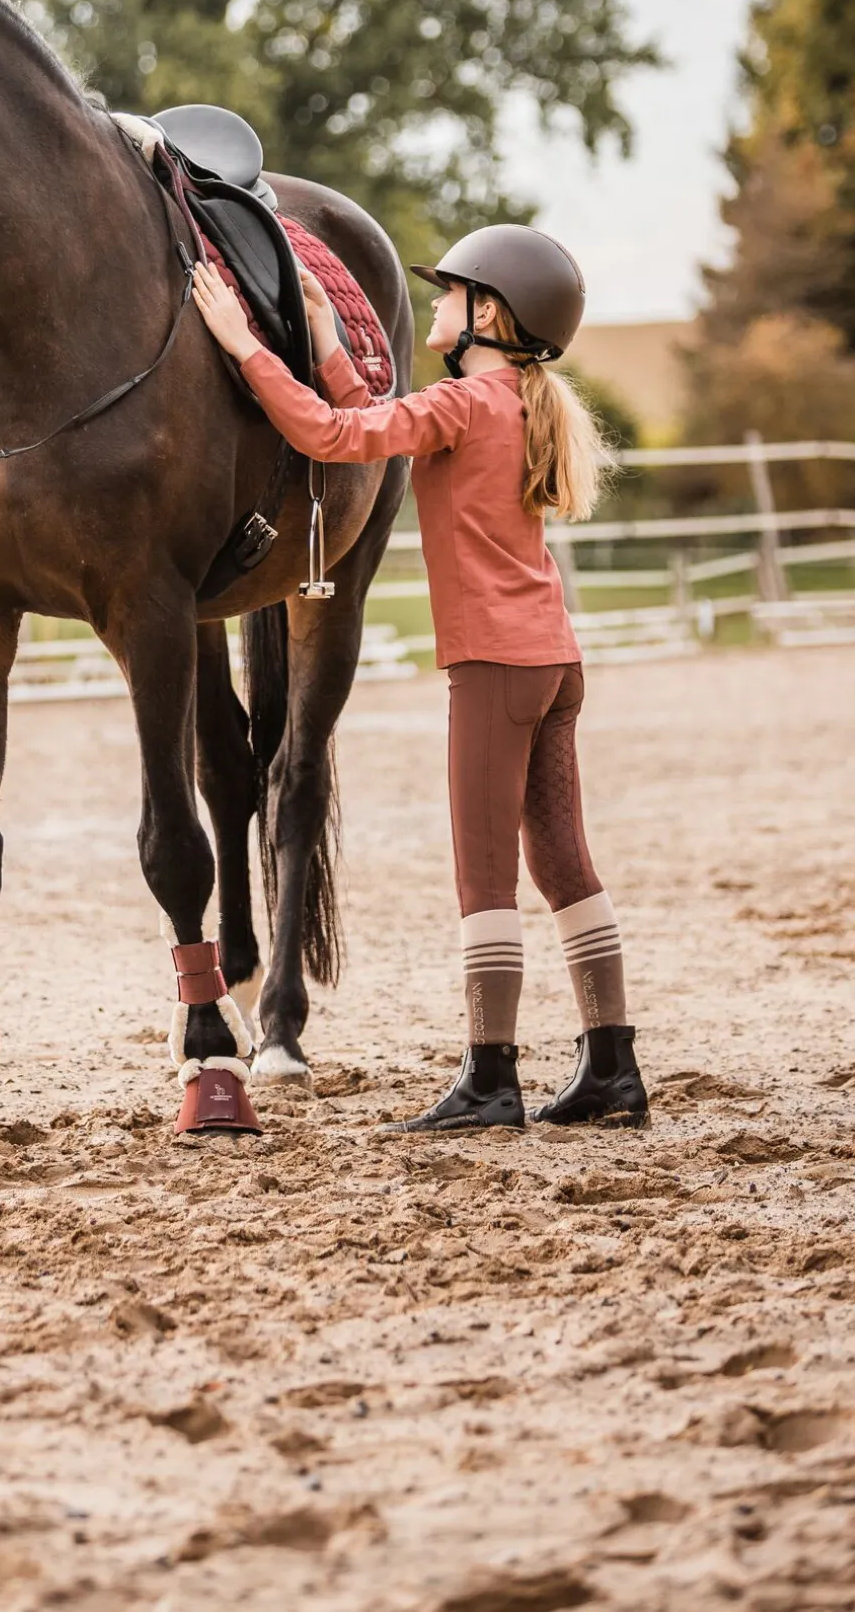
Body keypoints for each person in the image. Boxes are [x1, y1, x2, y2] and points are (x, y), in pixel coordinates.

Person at [191, 225, 648, 1131]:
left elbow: (331, 434)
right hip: (553, 661)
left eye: (452, 292)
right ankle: (612, 1066)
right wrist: (327, 339)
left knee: (486, 875)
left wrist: (245, 348)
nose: (436, 303)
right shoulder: (513, 401)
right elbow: (375, 419)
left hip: (494, 669)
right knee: (562, 862)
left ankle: (491, 1077)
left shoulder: (462, 405)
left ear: (490, 315)